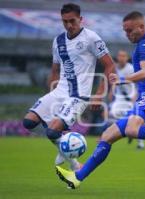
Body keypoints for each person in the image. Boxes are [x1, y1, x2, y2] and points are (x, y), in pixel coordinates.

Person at [55, 11, 145, 189]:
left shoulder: (144, 45)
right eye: (125, 31)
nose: (127, 34)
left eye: (130, 30)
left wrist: (122, 79)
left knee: (132, 129)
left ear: (142, 27)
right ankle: (77, 177)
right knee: (107, 136)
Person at [22, 3, 114, 171]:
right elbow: (55, 70)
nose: (69, 25)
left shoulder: (91, 38)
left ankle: (72, 160)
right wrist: (51, 96)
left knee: (52, 132)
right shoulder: (58, 41)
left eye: (72, 21)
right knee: (28, 122)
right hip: (59, 92)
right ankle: (65, 146)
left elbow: (110, 66)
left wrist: (99, 94)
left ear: (81, 19)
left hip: (79, 96)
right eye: (65, 22)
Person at [108, 49, 145, 149]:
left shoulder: (131, 68)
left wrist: (135, 96)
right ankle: (113, 137)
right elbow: (114, 82)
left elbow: (138, 82)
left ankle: (140, 143)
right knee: (112, 116)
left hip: (131, 97)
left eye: (124, 56)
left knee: (136, 119)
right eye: (120, 56)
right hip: (120, 98)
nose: (122, 58)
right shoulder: (115, 68)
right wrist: (111, 92)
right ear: (117, 57)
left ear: (127, 58)